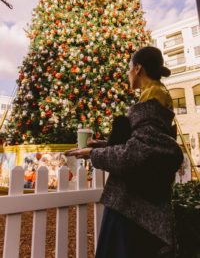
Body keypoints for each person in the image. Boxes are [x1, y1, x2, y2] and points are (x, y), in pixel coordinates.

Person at [65, 46, 184, 258]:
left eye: (129, 68)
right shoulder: (153, 97)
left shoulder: (153, 97)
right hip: (136, 208)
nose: (128, 73)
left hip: (133, 210)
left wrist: (93, 155)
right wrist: (98, 146)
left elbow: (136, 153)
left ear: (138, 69)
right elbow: (144, 142)